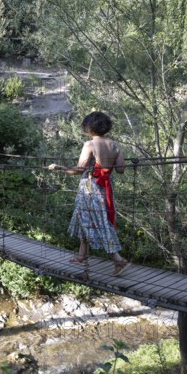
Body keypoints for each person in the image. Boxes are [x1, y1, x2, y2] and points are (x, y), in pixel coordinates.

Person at [47, 111, 130, 276]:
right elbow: (120, 169)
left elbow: (77, 171)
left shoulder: (90, 145)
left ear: (90, 128)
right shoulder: (115, 146)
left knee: (96, 221)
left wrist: (59, 167)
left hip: (90, 188)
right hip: (105, 189)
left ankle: (118, 259)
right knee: (86, 218)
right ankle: (81, 256)